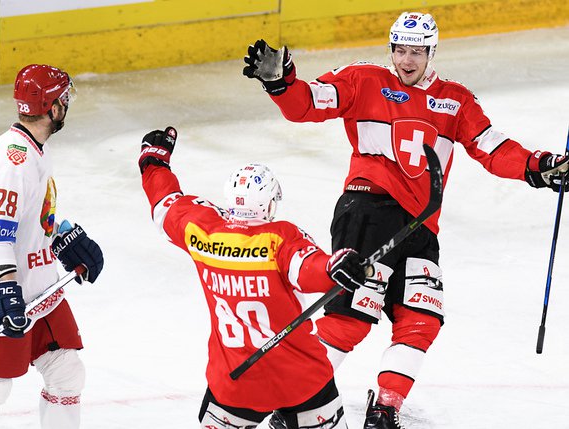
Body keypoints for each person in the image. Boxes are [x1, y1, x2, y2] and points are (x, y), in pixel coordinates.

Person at [242, 11, 569, 428]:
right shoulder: (364, 80)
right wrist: (281, 83)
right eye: (400, 49)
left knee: (421, 319)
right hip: (367, 212)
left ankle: (385, 409)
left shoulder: (456, 101)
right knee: (349, 319)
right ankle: (293, 403)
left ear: (432, 51)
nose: (407, 59)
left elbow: (493, 147)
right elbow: (307, 104)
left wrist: (540, 166)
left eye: (417, 51)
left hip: (421, 226)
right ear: (390, 48)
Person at [138, 126, 369, 428]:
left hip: (235, 383)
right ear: (270, 203)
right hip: (300, 378)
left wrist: (153, 164)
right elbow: (309, 269)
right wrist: (335, 266)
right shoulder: (279, 237)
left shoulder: (201, 229)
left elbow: (165, 203)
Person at [0, 64, 104, 429]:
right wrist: (5, 286)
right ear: (52, 107)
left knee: (67, 373)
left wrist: (63, 237)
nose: (66, 105)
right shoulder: (14, 159)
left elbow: (30, 216)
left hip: (38, 287)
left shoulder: (33, 150)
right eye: (63, 98)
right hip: (15, 293)